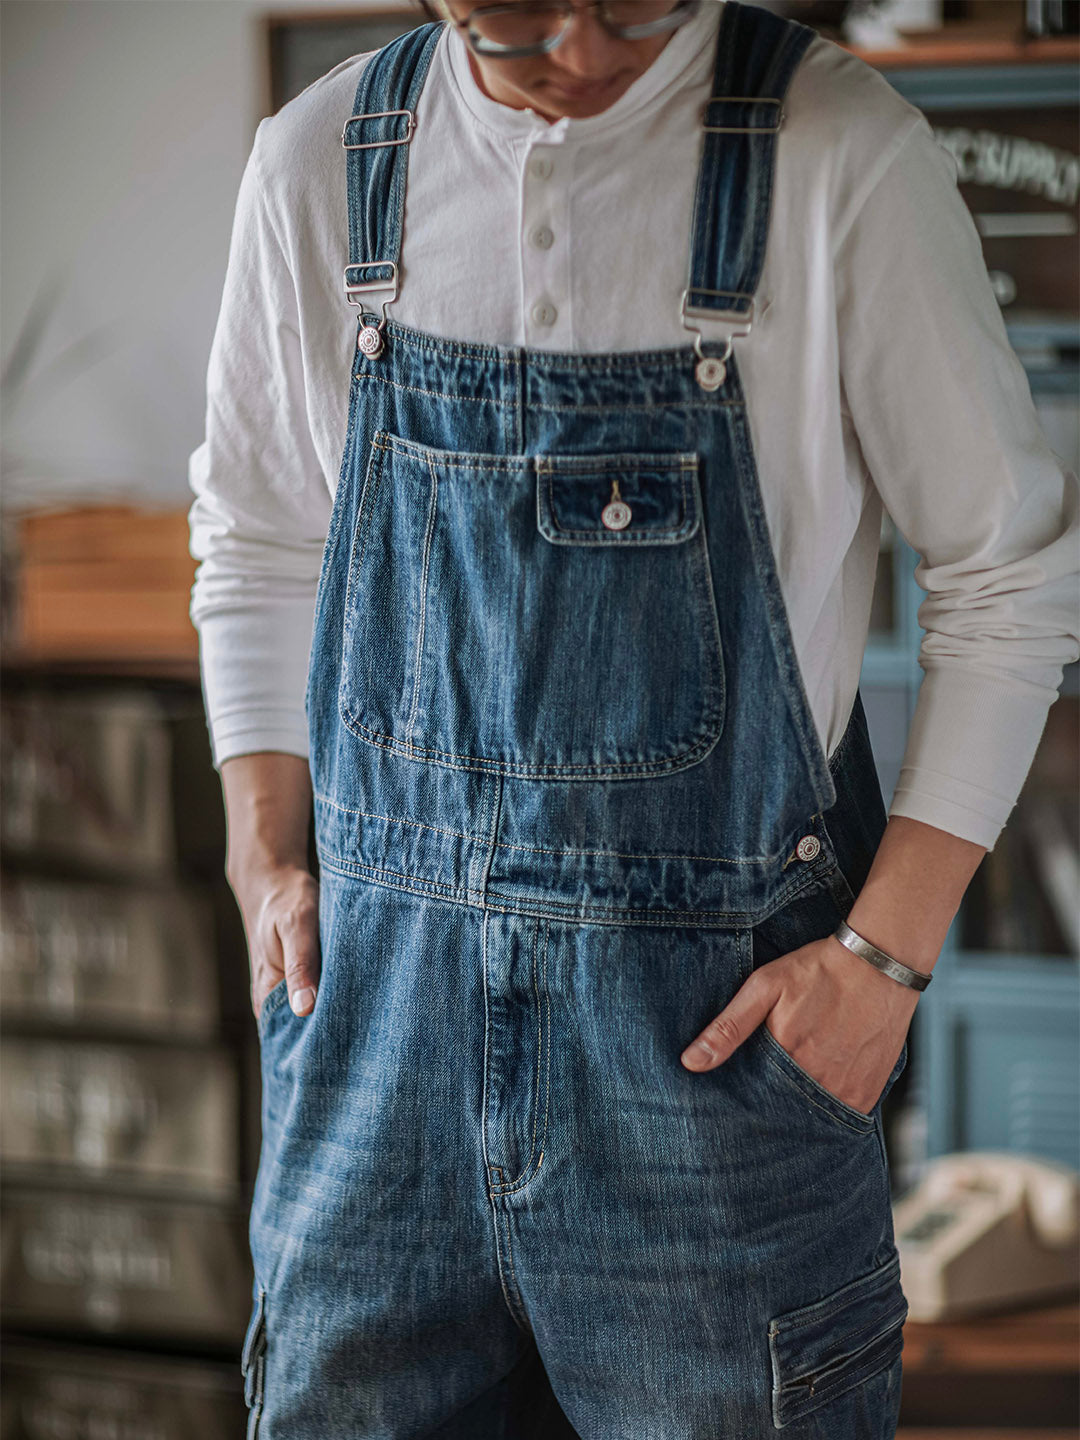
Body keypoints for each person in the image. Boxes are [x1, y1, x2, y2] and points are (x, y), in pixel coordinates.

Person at [187, 1, 1080, 1435]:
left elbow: (1009, 572)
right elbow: (255, 536)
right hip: (374, 1078)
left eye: (638, 3)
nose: (589, 52)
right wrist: (260, 854)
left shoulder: (838, 156)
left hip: (712, 1082)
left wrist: (886, 963)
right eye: (521, 18)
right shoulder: (318, 165)